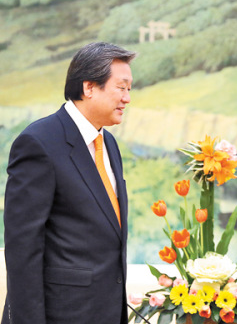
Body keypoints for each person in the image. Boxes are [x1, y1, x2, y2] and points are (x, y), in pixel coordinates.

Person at [2, 42, 136, 324]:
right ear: (89, 87)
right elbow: (22, 248)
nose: (127, 98)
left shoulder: (108, 143)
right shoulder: (39, 142)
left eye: (129, 89)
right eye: (121, 87)